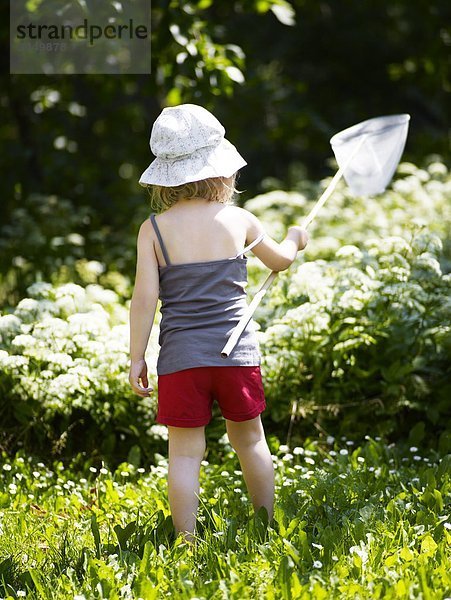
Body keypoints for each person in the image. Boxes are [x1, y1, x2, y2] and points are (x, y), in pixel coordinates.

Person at [128, 104, 308, 543]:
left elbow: (144, 299)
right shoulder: (239, 219)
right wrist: (296, 239)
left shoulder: (153, 230)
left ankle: (187, 540)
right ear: (221, 168)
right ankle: (265, 525)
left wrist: (137, 357)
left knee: (185, 454)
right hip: (236, 353)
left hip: (181, 359)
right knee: (249, 441)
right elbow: (280, 262)